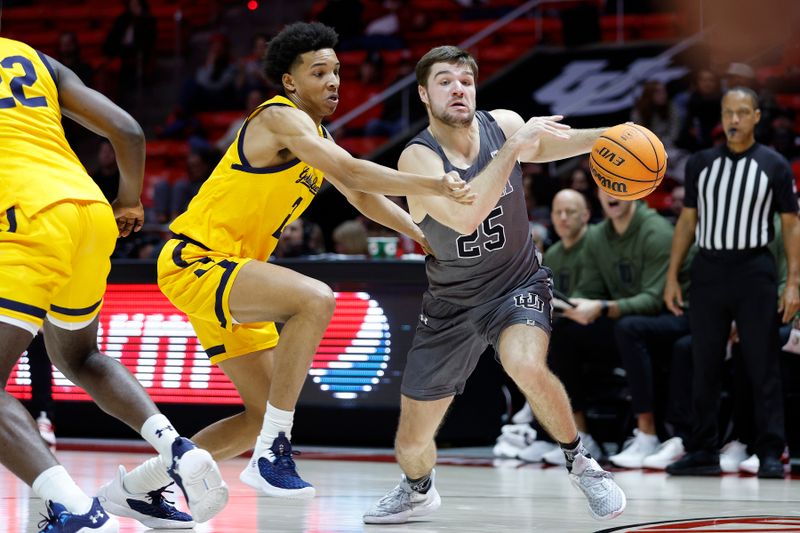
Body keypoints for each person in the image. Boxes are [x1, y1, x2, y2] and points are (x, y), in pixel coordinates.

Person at [103, 22, 474, 527]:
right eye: (319, 72)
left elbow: (362, 196)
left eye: (337, 71)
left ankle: (135, 488)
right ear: (290, 82)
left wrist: (423, 235)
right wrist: (434, 183)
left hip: (234, 272)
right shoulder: (280, 119)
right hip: (198, 260)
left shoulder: (317, 137)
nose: (334, 81)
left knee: (257, 415)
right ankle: (274, 452)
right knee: (314, 299)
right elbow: (352, 172)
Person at [362, 45, 625, 524]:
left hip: (516, 283)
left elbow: (543, 147)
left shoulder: (501, 123)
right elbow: (465, 217)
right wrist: (512, 148)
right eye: (445, 80)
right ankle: (418, 488)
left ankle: (583, 465)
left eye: (465, 79)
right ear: (424, 94)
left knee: (523, 362)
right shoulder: (417, 159)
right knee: (412, 444)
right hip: (451, 304)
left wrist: (608, 136)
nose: (458, 87)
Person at [0, 36, 227, 532]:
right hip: (88, 210)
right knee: (80, 356)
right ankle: (177, 448)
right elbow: (128, 131)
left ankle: (77, 511)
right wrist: (128, 200)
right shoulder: (31, 57)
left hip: (25, 214)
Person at [663, 87, 799, 479]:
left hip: (754, 271)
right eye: (728, 113)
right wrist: (673, 275)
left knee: (762, 364)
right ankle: (704, 450)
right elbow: (687, 220)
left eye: (742, 112)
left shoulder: (773, 164)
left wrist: (793, 283)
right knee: (703, 363)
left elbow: (791, 225)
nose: (734, 120)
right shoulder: (700, 163)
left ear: (757, 116)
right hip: (708, 270)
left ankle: (771, 450)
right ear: (720, 117)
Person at [540, 190, 691, 469]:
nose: (612, 194)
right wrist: (577, 306)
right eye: (605, 186)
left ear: (635, 190)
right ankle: (579, 434)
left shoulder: (655, 231)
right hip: (625, 319)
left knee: (629, 327)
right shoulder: (597, 236)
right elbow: (591, 288)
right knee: (563, 333)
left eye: (620, 187)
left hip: (674, 317)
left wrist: (603, 306)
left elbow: (655, 299)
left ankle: (648, 434)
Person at [493, 188, 593, 463]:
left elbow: (586, 298)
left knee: (553, 342)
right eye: (557, 213)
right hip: (565, 323)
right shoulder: (557, 252)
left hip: (594, 325)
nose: (563, 218)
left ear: (586, 216)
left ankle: (575, 433)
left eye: (569, 212)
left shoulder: (594, 244)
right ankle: (532, 425)